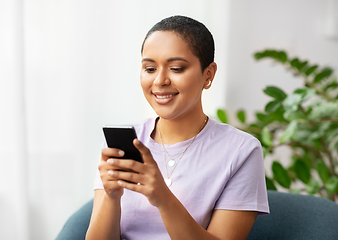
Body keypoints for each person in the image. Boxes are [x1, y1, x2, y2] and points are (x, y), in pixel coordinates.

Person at [86, 15, 269, 240]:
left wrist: (162, 197)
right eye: (150, 69)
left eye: (176, 68)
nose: (160, 81)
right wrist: (111, 198)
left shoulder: (241, 150)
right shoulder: (126, 140)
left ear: (208, 75)